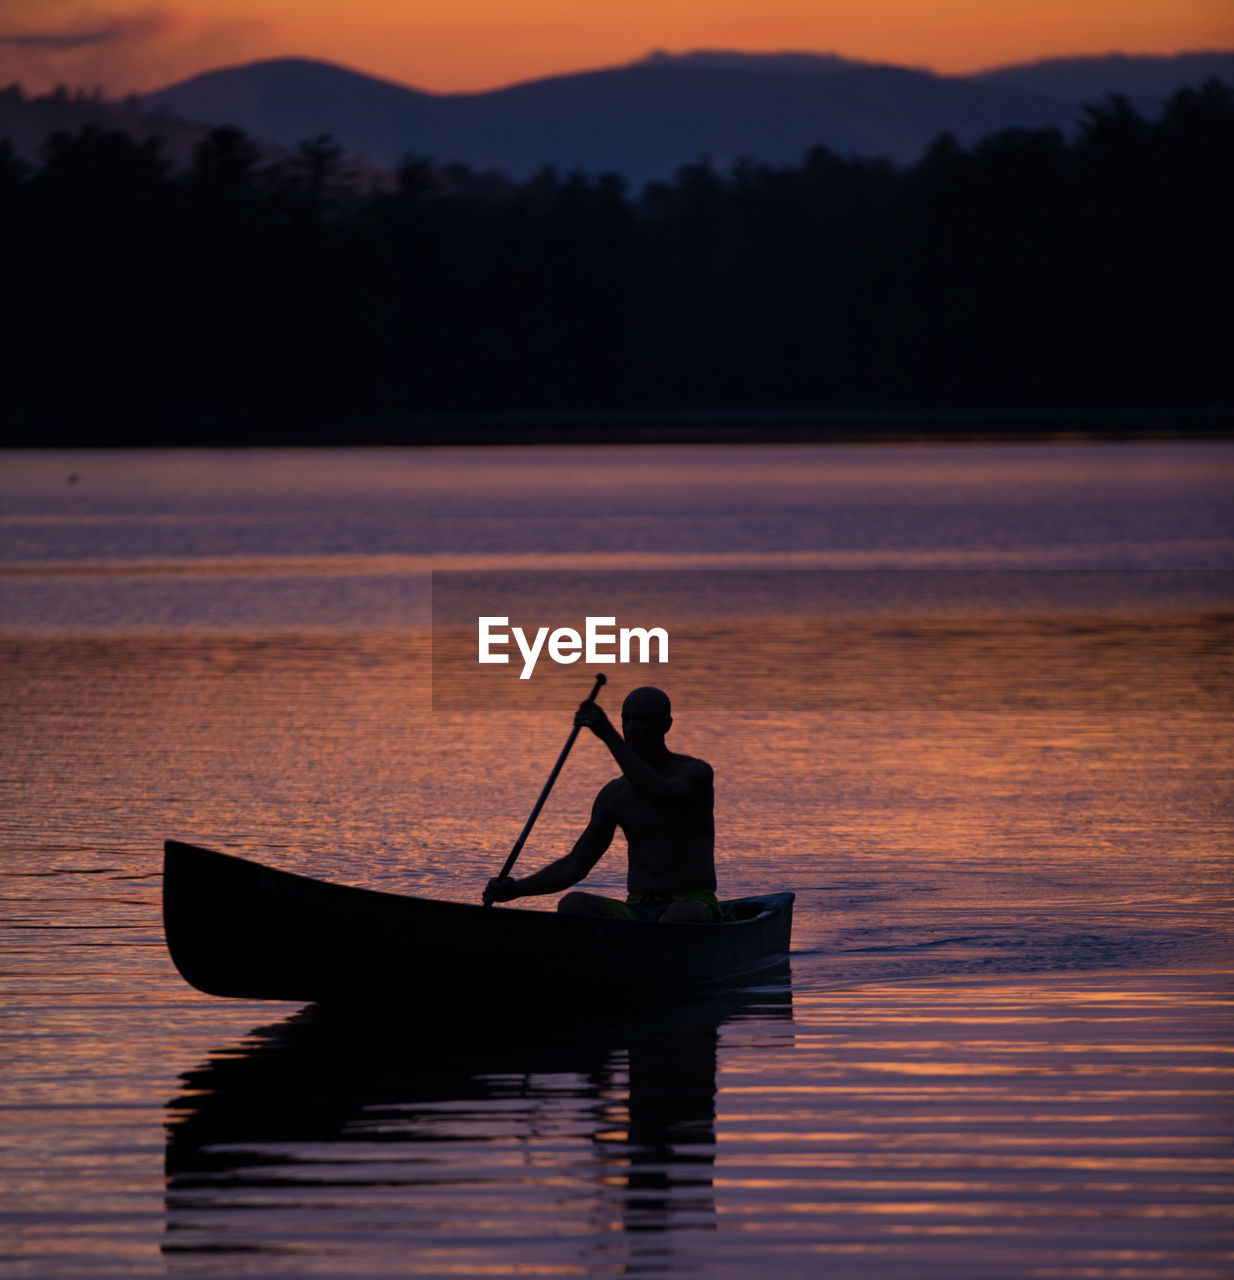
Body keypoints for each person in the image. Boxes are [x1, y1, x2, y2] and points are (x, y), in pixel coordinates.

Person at [483, 686, 720, 923]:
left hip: (694, 903)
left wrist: (607, 734)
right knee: (573, 903)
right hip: (637, 907)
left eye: (641, 721)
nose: (630, 728)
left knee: (678, 916)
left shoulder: (695, 773)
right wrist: (517, 889)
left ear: (666, 725)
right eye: (625, 720)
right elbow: (576, 864)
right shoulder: (614, 794)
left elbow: (658, 796)